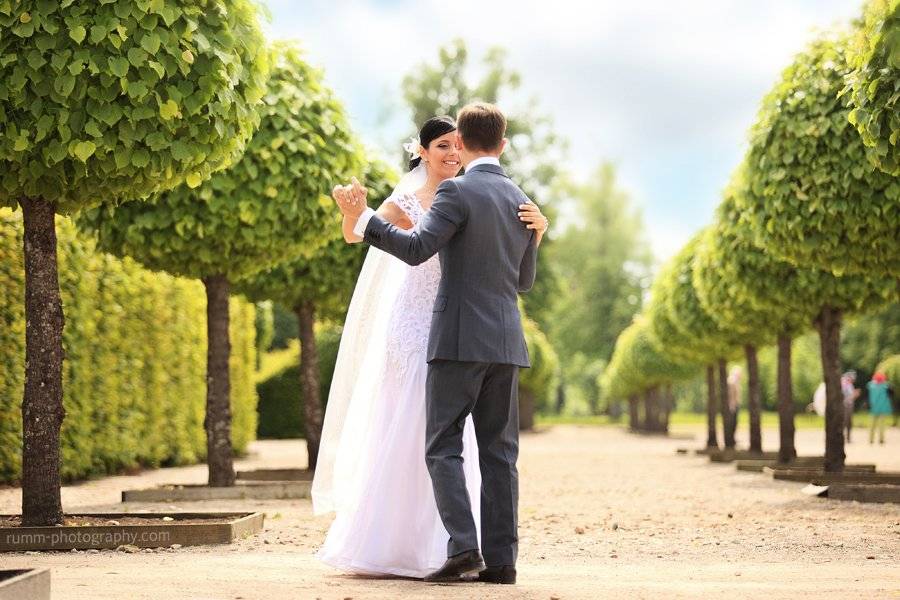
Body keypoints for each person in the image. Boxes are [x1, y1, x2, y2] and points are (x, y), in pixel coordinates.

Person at [314, 111, 548, 584]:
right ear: (503, 146)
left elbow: (418, 249)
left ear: (463, 142)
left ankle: (463, 546)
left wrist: (361, 218)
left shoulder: (456, 192)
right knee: (500, 454)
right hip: (505, 343)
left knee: (442, 445)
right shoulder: (523, 200)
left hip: (457, 338)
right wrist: (536, 237)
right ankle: (502, 563)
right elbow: (523, 281)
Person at [867, 372, 891, 445]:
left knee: (872, 425)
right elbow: (891, 393)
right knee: (882, 425)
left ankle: (871, 439)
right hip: (882, 408)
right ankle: (881, 439)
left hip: (873, 408)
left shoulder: (870, 385)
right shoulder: (885, 386)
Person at [841, 370, 860, 443]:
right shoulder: (844, 384)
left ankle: (848, 438)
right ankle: (842, 438)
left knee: (849, 422)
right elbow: (845, 396)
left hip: (849, 405)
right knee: (845, 422)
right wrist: (854, 395)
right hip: (845, 405)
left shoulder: (849, 384)